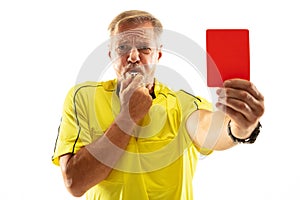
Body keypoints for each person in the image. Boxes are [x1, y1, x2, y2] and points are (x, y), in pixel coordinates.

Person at [52, 10, 265, 200]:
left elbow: (213, 130)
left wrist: (242, 128)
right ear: (111, 55)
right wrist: (127, 117)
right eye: (123, 47)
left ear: (157, 55)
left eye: (144, 48)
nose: (133, 56)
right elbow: (74, 183)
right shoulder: (83, 98)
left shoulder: (183, 104)